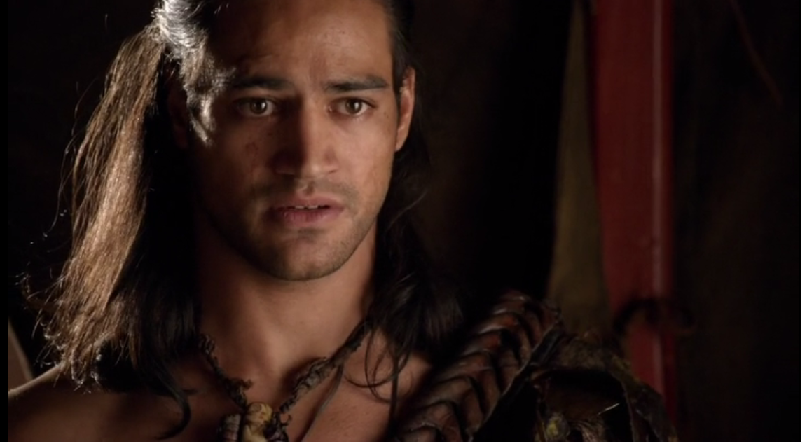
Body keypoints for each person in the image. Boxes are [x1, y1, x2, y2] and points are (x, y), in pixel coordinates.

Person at [8, 0, 676, 441]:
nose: (307, 159)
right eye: (260, 103)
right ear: (184, 110)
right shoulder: (47, 431)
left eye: (351, 104)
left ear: (402, 111)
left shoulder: (547, 409)